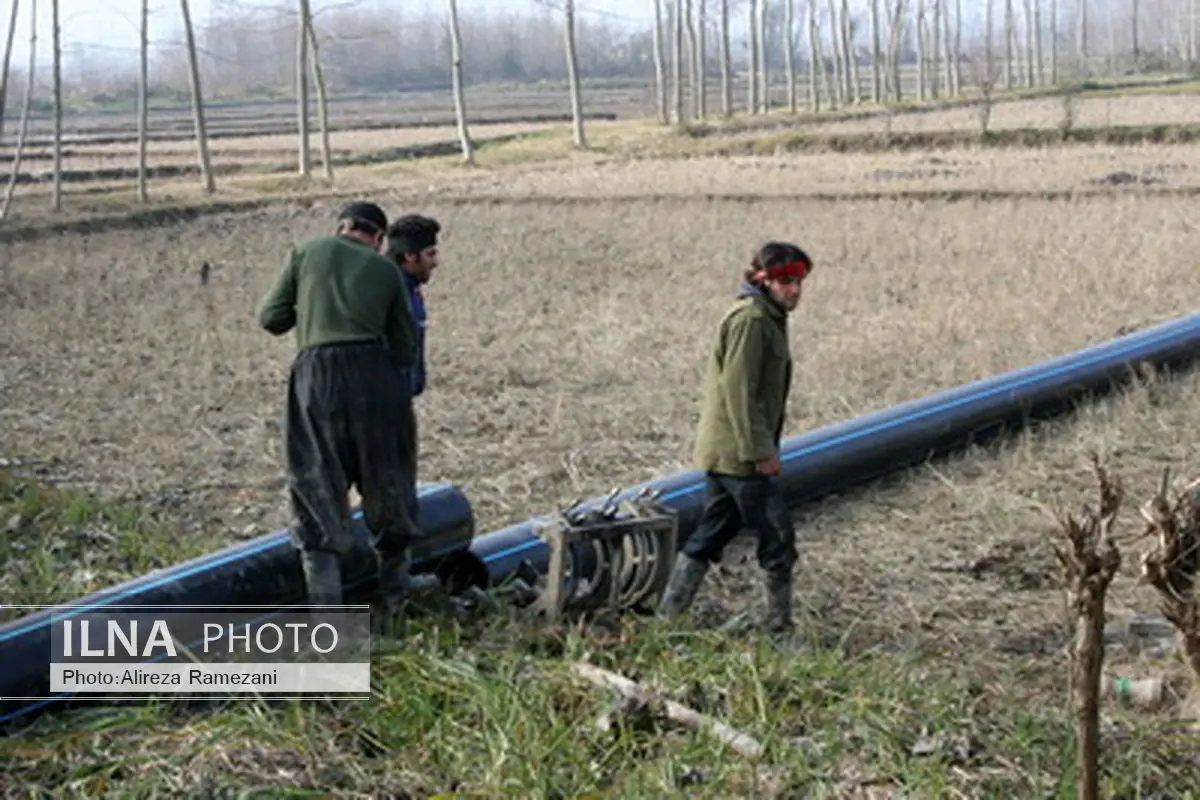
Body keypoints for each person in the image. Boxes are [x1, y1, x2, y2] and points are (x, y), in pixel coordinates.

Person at [256, 201, 435, 608]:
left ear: (343, 226)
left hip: (316, 380)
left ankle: (328, 620)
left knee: (316, 485)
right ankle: (395, 593)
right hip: (376, 377)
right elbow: (405, 347)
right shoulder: (387, 270)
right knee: (389, 480)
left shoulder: (305, 253)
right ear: (376, 237)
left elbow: (271, 318)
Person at [657, 242, 814, 634]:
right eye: (785, 281)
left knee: (714, 529)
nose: (794, 290)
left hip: (728, 451)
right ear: (764, 280)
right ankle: (779, 632)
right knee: (777, 536)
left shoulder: (768, 315)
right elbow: (739, 391)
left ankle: (667, 619)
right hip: (738, 454)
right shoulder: (752, 321)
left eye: (798, 281)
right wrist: (760, 452)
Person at [385, 214, 441, 399]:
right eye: (430, 254)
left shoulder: (409, 290)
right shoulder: (388, 292)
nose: (435, 263)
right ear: (410, 256)